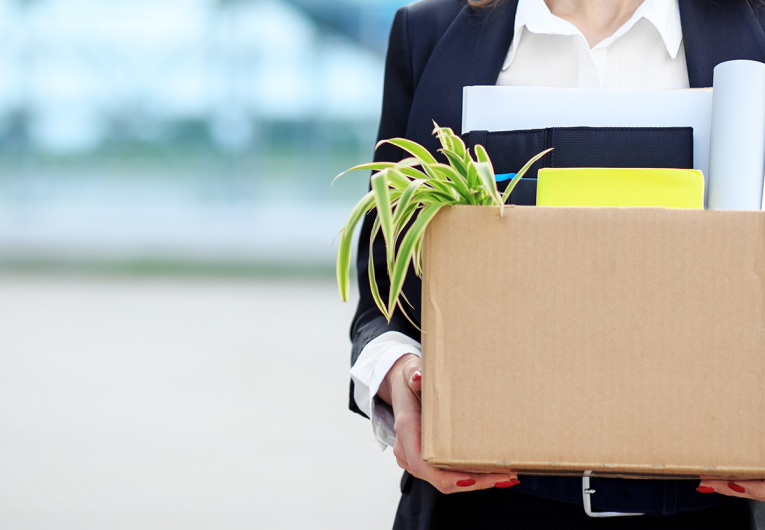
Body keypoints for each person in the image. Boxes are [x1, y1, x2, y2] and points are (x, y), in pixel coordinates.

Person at [348, 0, 765, 528]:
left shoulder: (755, 34)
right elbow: (382, 302)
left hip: (710, 513)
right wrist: (398, 377)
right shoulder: (427, 36)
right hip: (483, 509)